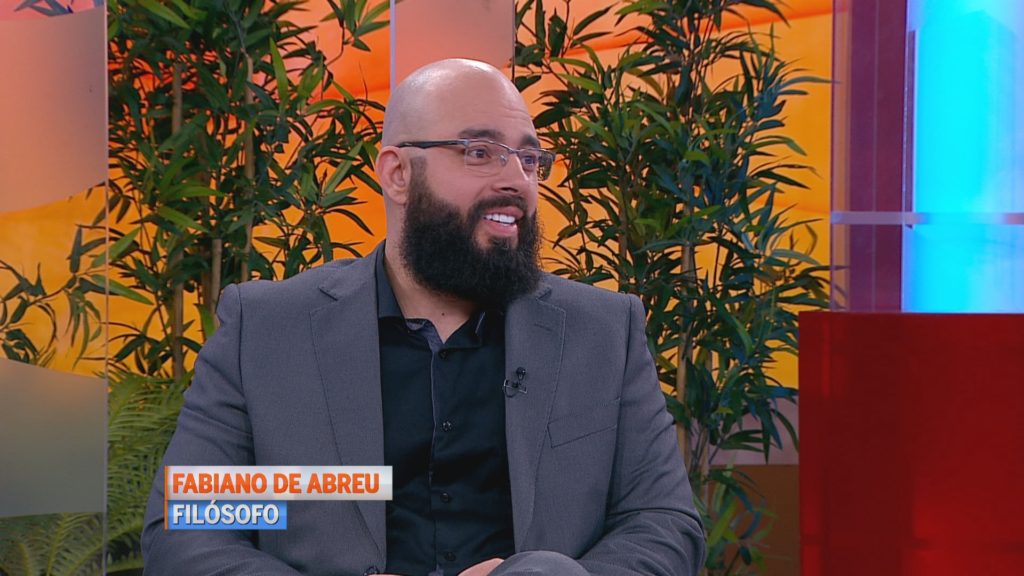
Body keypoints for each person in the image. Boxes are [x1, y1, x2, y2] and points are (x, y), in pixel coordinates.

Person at [142, 58, 705, 576]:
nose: (517, 180)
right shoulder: (269, 331)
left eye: (529, 159)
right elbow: (190, 527)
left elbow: (662, 522)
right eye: (479, 152)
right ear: (397, 174)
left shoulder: (603, 332)